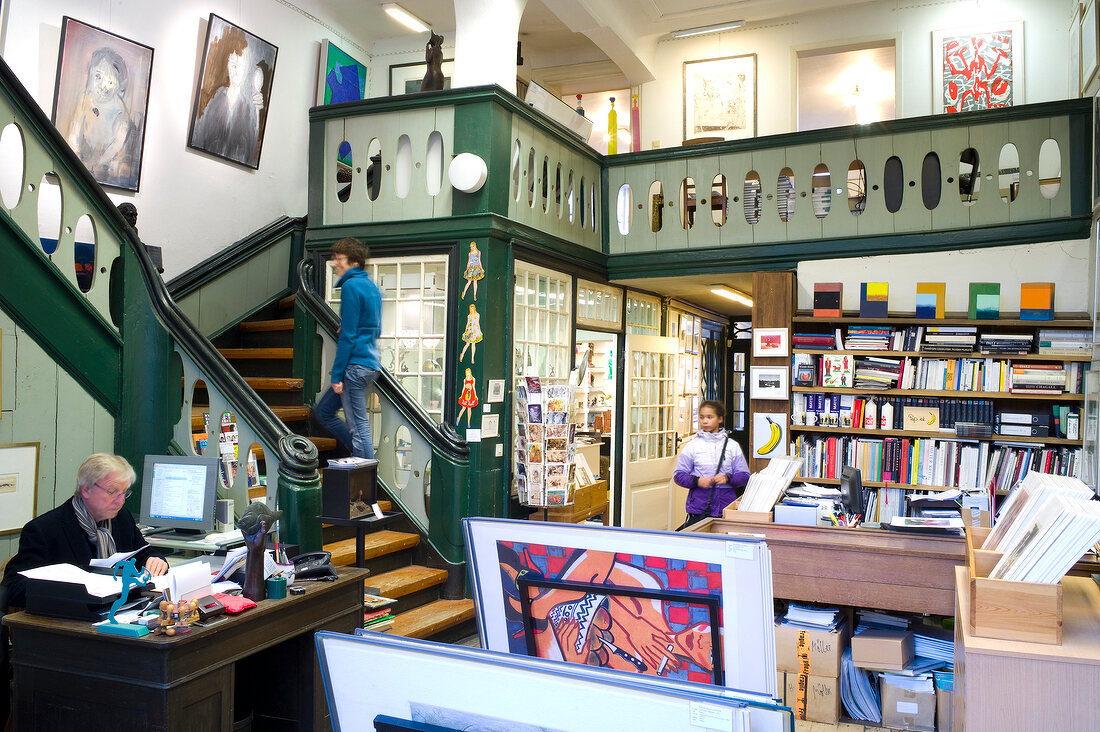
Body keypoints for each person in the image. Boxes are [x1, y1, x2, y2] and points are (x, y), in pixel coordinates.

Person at [0, 453, 168, 608]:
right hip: (70, 619)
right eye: (113, 491)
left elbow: (143, 553)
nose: (121, 500)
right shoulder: (44, 530)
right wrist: (70, 588)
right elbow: (14, 587)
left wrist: (155, 559)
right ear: (86, 489)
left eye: (124, 492)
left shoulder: (121, 518)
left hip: (120, 609)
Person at [329, 237, 382, 459]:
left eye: (339, 259)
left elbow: (349, 336)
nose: (334, 263)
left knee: (359, 431)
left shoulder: (350, 287)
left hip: (355, 366)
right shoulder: (371, 287)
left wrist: (337, 374)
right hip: (371, 363)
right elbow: (374, 328)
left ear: (354, 263)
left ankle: (363, 488)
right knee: (362, 428)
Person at [65, 47, 139, 188]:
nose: (102, 86)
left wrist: (96, 166)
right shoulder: (85, 99)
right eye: (98, 76)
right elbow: (73, 136)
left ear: (119, 86)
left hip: (103, 173)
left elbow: (115, 148)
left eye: (110, 81)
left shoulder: (121, 114)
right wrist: (77, 163)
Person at [674, 400, 750, 528]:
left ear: (720, 419)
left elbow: (745, 476)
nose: (705, 421)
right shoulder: (692, 446)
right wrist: (697, 481)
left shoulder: (732, 446)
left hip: (726, 507)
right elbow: (678, 475)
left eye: (710, 417)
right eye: (702, 417)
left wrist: (727, 478)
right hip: (699, 507)